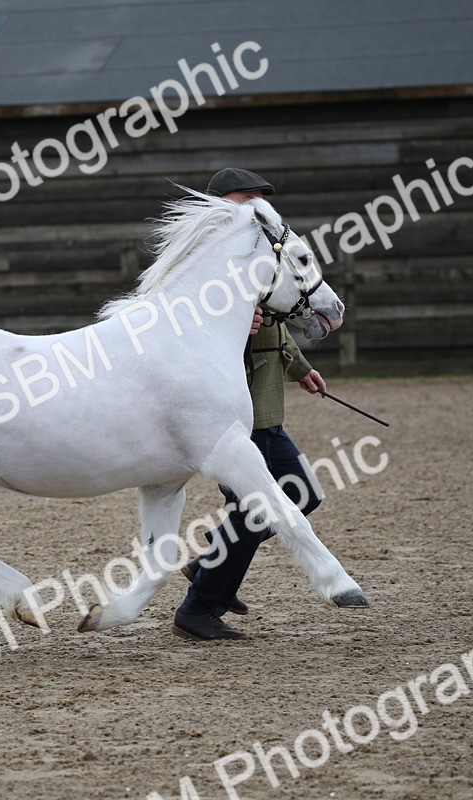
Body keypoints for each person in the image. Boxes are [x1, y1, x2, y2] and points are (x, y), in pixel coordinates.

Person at [172, 167, 327, 641]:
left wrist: (299, 367)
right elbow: (189, 340)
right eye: (248, 198)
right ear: (220, 203)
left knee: (273, 501)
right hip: (229, 413)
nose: (258, 206)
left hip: (260, 407)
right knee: (273, 500)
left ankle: (206, 572)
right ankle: (200, 604)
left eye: (263, 198)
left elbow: (278, 319)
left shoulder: (257, 253)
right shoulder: (200, 260)